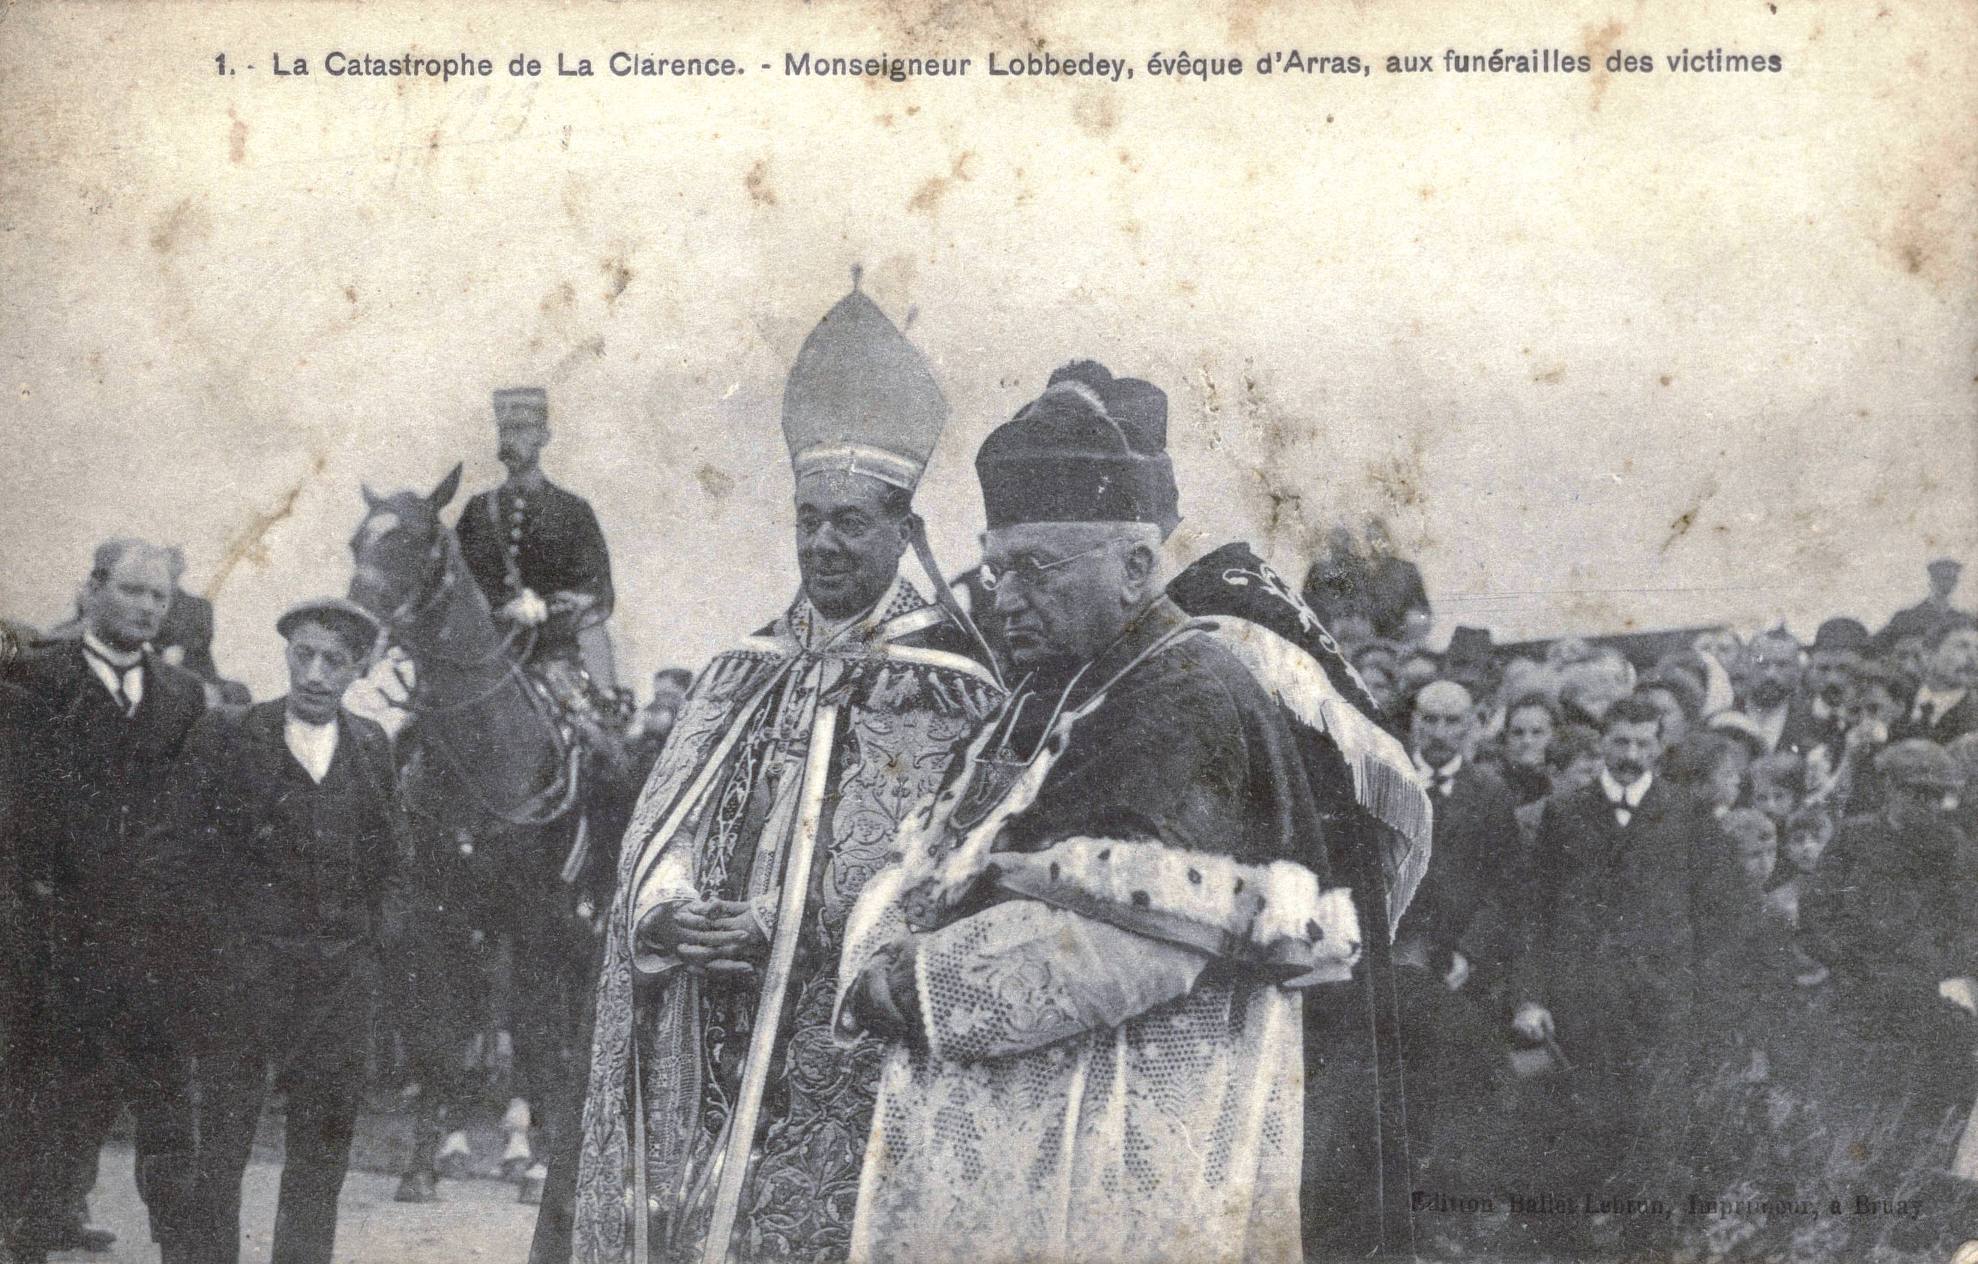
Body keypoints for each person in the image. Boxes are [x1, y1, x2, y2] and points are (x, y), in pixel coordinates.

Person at [836, 362, 1394, 1264]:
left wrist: (911, 985)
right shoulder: (1039, 693)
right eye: (993, 568)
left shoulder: (1192, 692)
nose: (1003, 596)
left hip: (1125, 1159)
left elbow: (1140, 944)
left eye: (1033, 569)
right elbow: (920, 866)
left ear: (1136, 565)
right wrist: (874, 951)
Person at [562, 285, 1003, 1264]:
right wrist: (666, 904)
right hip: (700, 1039)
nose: (824, 544)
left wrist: (782, 923)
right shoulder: (739, 672)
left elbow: (939, 884)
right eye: (809, 520)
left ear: (902, 528)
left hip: (833, 1061)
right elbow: (656, 837)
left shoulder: (954, 693)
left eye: (849, 522)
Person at [174, 599, 400, 1264]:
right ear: (287, 655)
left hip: (338, 981)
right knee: (218, 1150)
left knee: (320, 1157)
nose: (316, 672)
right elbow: (190, 852)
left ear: (359, 669)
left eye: (334, 660)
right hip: (244, 978)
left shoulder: (371, 746)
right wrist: (215, 953)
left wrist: (370, 952)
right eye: (304, 654)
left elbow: (391, 860)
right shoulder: (231, 733)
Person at [3, 540, 208, 1263]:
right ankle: (34, 1227)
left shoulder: (182, 698)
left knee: (160, 1101)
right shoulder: (32, 682)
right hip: (54, 933)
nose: (148, 606)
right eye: (132, 590)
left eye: (160, 596)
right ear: (93, 590)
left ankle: (178, 1244)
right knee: (45, 1093)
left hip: (150, 940)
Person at [1509, 697, 1744, 1253]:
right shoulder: (1564, 813)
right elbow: (1534, 915)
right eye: (1619, 742)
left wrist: (1704, 999)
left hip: (1664, 1011)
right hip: (1581, 1007)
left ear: (1660, 746)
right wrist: (1529, 998)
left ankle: (1649, 1249)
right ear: (1602, 744)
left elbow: (1723, 917)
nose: (1631, 755)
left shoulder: (1687, 814)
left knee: (1658, 1139)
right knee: (1582, 1134)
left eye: (1643, 743)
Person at [1799, 740, 1976, 1238]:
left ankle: (1882, 1216)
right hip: (1857, 995)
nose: (1930, 806)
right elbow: (1817, 917)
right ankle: (1825, 1212)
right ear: (1890, 789)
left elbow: (1967, 927)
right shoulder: (1855, 842)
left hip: (1927, 1000)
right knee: (1842, 1111)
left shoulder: (1956, 850)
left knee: (1911, 1117)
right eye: (1918, 794)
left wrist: (1941, 971)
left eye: (1941, 796)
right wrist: (1851, 963)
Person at [1393, 680, 1521, 1196]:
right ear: (1413, 723)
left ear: (1472, 727)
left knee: (1456, 1090)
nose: (1440, 733)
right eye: (1429, 720)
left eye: (1452, 722)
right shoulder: (1387, 780)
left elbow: (1506, 887)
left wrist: (1471, 950)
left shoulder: (1490, 794)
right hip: (1395, 961)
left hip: (1461, 971)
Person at [456, 386, 618, 703]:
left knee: (591, 737)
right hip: (484, 657)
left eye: (520, 429)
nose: (509, 439)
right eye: (504, 430)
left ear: (543, 436)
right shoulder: (477, 511)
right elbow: (458, 580)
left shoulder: (572, 510)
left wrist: (547, 607)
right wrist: (499, 607)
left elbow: (598, 594)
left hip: (554, 659)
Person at [1889, 614, 1978, 744]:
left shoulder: (1974, 715)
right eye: (1962, 646)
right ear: (1928, 654)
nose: (1973, 657)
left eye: (1977, 649)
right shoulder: (1895, 703)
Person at [1874, 557, 1966, 654]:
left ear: (1955, 582)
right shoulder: (1907, 617)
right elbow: (1876, 645)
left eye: (1952, 578)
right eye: (1942, 578)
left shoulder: (1961, 620)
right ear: (1931, 581)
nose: (1947, 583)